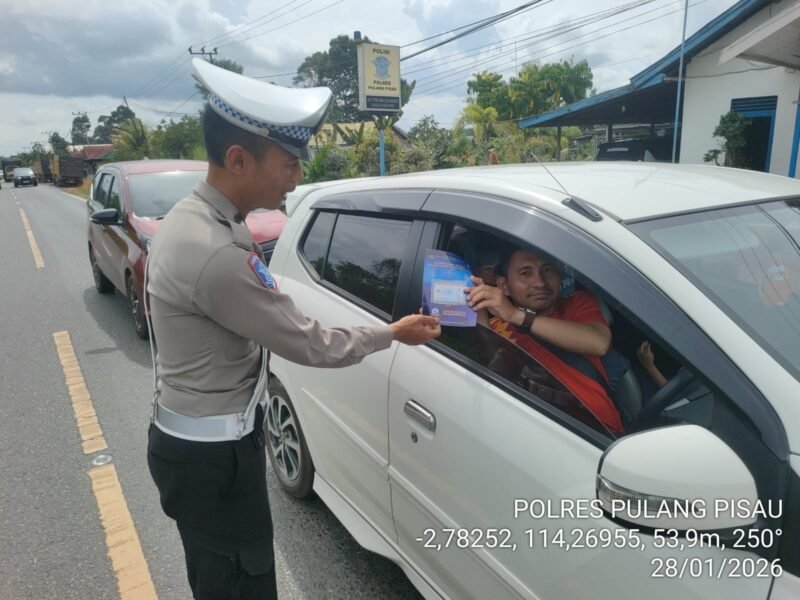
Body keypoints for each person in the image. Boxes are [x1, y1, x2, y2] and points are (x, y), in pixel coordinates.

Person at [145, 58, 440, 600]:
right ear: (238, 159)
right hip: (213, 460)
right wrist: (392, 333)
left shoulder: (195, 221)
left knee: (218, 575)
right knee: (241, 583)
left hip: (192, 444)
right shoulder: (214, 252)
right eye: (289, 162)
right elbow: (308, 341)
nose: (298, 176)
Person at [465, 247, 623, 433]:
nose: (540, 282)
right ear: (504, 286)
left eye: (548, 270)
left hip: (598, 433)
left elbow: (598, 342)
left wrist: (518, 316)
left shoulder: (575, 304)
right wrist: (478, 306)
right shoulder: (498, 326)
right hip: (537, 430)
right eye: (526, 273)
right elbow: (489, 366)